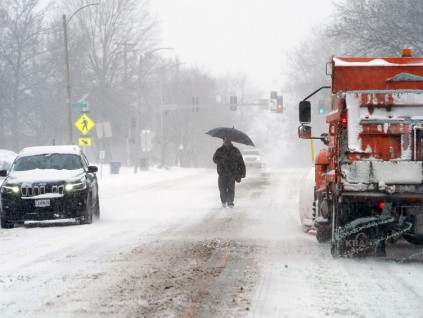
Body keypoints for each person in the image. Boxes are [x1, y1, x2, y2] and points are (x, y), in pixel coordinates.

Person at [213, 137, 246, 208]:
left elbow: (241, 162)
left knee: (231, 188)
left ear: (230, 141)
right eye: (225, 140)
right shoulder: (219, 150)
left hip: (232, 173)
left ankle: (230, 202)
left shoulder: (235, 150)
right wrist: (221, 159)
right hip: (222, 173)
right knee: (222, 189)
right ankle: (223, 201)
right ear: (223, 141)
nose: (227, 141)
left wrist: (243, 172)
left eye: (228, 140)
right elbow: (214, 160)